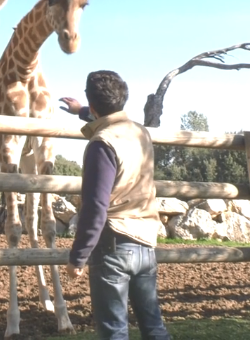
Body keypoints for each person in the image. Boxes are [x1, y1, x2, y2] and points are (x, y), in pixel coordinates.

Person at [60, 70, 171, 340]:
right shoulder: (140, 132)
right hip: (145, 244)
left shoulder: (102, 144)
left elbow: (96, 205)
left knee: (114, 331)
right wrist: (81, 111)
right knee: (153, 326)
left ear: (93, 102)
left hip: (113, 247)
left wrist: (79, 256)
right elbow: (110, 118)